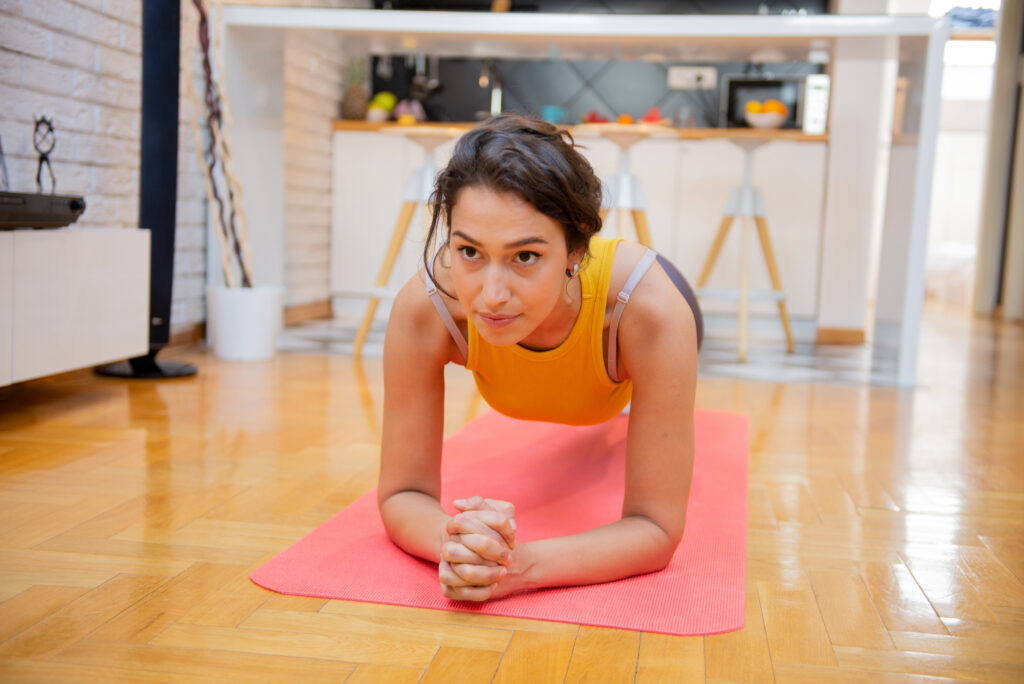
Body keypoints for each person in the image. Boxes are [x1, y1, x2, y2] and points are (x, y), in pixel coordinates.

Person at [377, 114, 703, 602]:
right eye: (469, 251)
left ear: (576, 247)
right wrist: (461, 545)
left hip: (652, 307)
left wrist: (517, 568)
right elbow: (401, 493)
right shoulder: (426, 310)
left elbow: (655, 528)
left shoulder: (649, 315)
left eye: (524, 256)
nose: (490, 296)